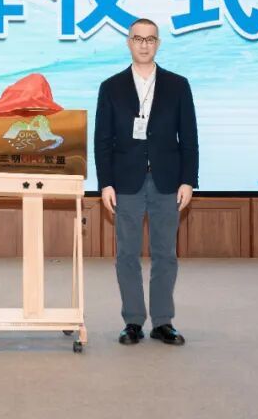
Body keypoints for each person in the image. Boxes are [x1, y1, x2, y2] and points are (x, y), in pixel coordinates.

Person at [94, 18, 198, 346]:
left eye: (150, 39)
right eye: (138, 39)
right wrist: (105, 183)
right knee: (127, 253)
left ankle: (163, 321)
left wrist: (188, 180)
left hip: (168, 182)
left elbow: (189, 138)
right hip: (125, 182)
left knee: (165, 253)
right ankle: (133, 321)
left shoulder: (178, 85)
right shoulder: (111, 87)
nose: (144, 45)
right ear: (129, 42)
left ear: (158, 44)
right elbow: (102, 141)